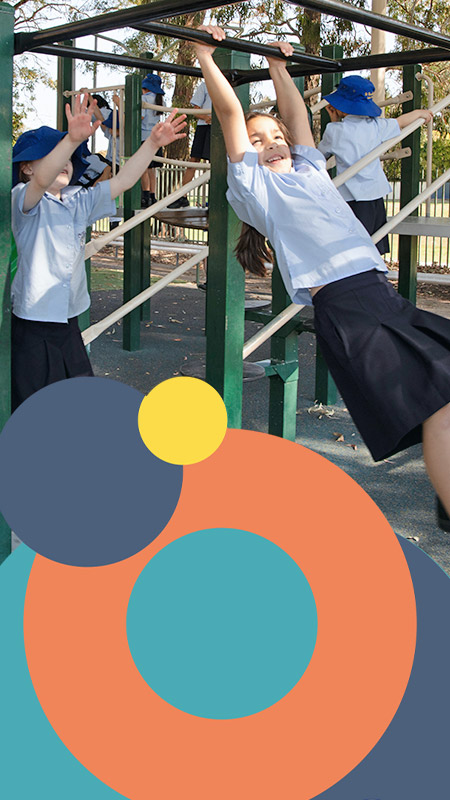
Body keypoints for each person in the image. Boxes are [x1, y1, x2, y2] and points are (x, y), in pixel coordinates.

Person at [192, 25, 450, 527]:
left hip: (379, 295)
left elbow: (297, 120)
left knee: (442, 398)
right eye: (257, 141)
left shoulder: (309, 170)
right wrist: (206, 56)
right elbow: (228, 115)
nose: (271, 145)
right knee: (438, 403)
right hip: (350, 306)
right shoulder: (256, 190)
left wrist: (279, 69)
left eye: (275, 138)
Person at [11, 93, 186, 410]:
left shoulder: (77, 199)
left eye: (68, 156)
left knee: (79, 400)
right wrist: (71, 139)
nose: (64, 160)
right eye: (51, 154)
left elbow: (122, 182)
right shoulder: (24, 198)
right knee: (33, 407)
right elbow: (41, 183)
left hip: (69, 321)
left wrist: (153, 144)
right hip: (33, 325)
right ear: (26, 168)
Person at [317, 76, 432, 254]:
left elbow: (321, 153)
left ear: (341, 106)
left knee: (352, 244)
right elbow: (401, 122)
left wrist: (333, 120)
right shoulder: (377, 126)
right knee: (374, 242)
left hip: (350, 196)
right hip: (374, 194)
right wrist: (420, 114)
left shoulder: (334, 131)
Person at [168, 80, 212, 209]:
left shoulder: (229, 86)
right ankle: (182, 196)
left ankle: (215, 199)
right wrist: (206, 117)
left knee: (216, 163)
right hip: (204, 127)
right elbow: (195, 111)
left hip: (220, 128)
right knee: (193, 160)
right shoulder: (205, 86)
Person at [141, 73, 165, 207]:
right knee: (152, 169)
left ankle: (145, 195)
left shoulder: (144, 99)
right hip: (156, 136)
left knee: (144, 167)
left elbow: (141, 117)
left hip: (144, 135)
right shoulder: (160, 99)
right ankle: (153, 195)